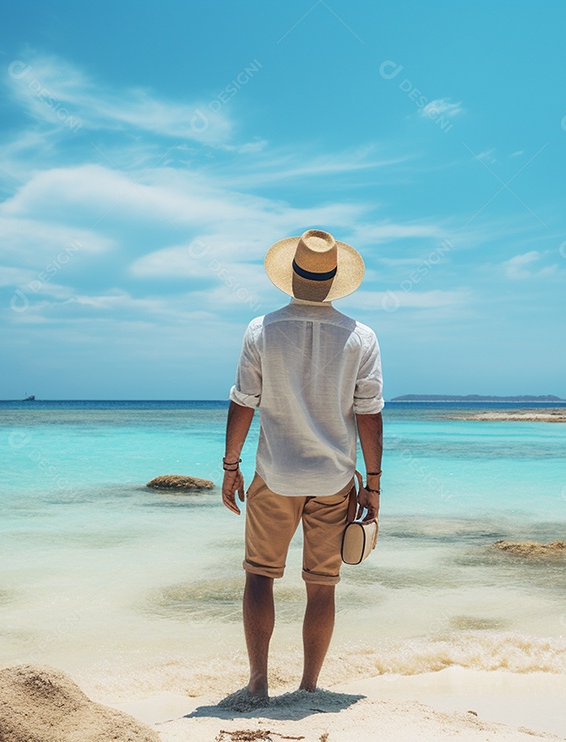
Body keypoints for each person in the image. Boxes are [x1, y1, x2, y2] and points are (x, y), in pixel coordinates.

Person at [221, 229, 384, 701]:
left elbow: (244, 402)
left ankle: (257, 684)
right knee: (322, 587)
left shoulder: (261, 330)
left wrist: (230, 466)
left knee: (258, 575)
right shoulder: (362, 337)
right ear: (334, 280)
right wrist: (373, 484)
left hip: (276, 474)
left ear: (292, 276)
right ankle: (309, 686)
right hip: (335, 479)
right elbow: (369, 413)